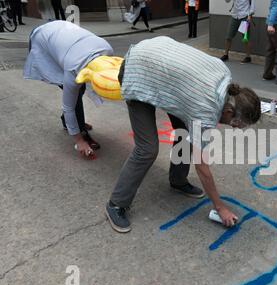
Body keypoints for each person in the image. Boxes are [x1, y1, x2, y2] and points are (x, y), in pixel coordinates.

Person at [106, 36, 261, 233]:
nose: (233, 128)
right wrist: (219, 207)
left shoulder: (226, 77)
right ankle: (116, 204)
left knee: (187, 134)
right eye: (235, 125)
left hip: (160, 66)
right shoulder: (206, 110)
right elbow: (202, 166)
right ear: (229, 111)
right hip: (137, 69)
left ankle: (177, 180)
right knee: (147, 149)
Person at [23, 21, 114, 158]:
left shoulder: (107, 51)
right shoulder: (73, 69)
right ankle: (80, 131)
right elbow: (68, 106)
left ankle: (71, 122)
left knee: (79, 88)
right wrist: (79, 141)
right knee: (74, 93)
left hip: (61, 31)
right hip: (40, 38)